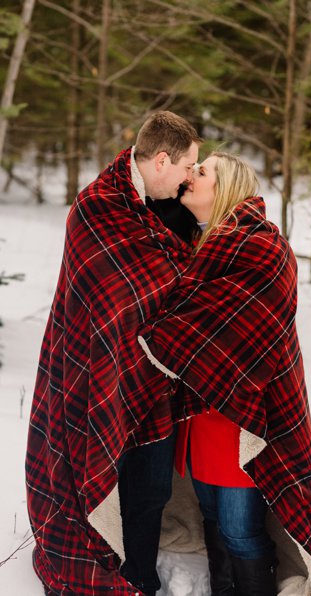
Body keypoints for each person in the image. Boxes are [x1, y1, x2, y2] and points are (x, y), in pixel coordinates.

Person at [25, 110, 201, 595]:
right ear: (162, 160)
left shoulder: (180, 210)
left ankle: (140, 580)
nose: (190, 178)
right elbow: (100, 303)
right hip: (99, 379)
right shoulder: (95, 209)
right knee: (99, 484)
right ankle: (105, 573)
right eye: (188, 166)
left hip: (155, 387)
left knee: (150, 491)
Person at [137, 150, 311, 596]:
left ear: (224, 189)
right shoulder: (199, 242)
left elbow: (245, 324)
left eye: (202, 172)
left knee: (241, 530)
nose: (191, 177)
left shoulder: (260, 244)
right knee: (212, 521)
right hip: (200, 414)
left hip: (242, 415)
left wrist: (163, 332)